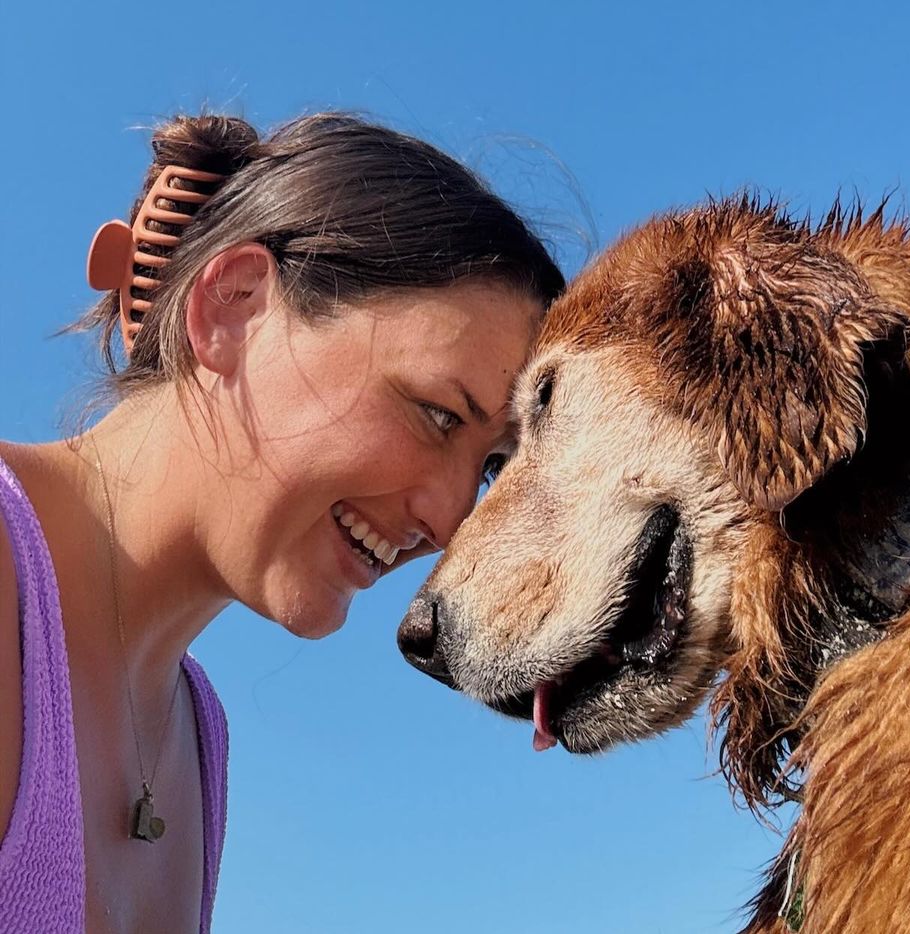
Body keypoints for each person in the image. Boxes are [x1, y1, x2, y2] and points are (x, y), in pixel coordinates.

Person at [0, 111, 564, 934]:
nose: (452, 522)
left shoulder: (200, 746)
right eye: (438, 414)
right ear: (233, 306)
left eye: (487, 467)